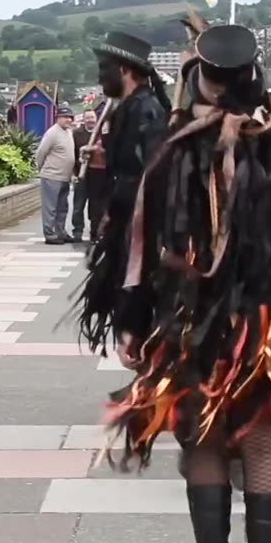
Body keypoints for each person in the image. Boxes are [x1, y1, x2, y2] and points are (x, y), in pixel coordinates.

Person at [87, 24, 271, 543]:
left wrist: (132, 323)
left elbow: (140, 245)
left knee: (203, 441)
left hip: (194, 322)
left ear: (202, 79)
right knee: (266, 442)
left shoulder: (174, 149)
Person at [76, 30, 170, 353]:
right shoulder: (128, 108)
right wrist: (105, 156)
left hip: (142, 227)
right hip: (128, 219)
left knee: (139, 311)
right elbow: (132, 163)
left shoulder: (146, 110)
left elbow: (151, 171)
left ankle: (149, 383)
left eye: (106, 68)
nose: (101, 75)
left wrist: (118, 213)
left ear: (126, 71)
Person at [35, 107, 77, 245]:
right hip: (51, 176)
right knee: (50, 208)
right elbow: (41, 153)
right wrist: (42, 169)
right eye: (65, 117)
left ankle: (61, 232)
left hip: (65, 177)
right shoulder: (52, 133)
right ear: (58, 118)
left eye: (70, 117)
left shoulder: (69, 132)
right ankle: (50, 234)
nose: (68, 120)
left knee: (62, 207)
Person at [70, 108, 100, 243]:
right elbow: (72, 154)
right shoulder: (76, 134)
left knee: (96, 205)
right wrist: (74, 173)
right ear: (84, 119)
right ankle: (77, 231)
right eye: (87, 118)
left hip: (97, 176)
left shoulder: (101, 133)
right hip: (81, 175)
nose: (90, 120)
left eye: (92, 117)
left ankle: (95, 232)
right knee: (78, 205)